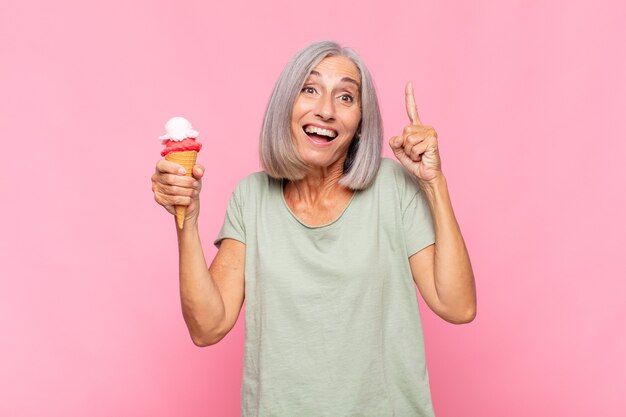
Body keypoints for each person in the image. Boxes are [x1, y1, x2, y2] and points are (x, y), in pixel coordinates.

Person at [151, 41, 476, 417]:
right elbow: (207, 328)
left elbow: (458, 306)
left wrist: (433, 183)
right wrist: (187, 220)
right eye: (310, 89)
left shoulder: (393, 186)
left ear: (359, 125)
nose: (325, 110)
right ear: (286, 106)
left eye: (346, 97)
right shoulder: (252, 196)